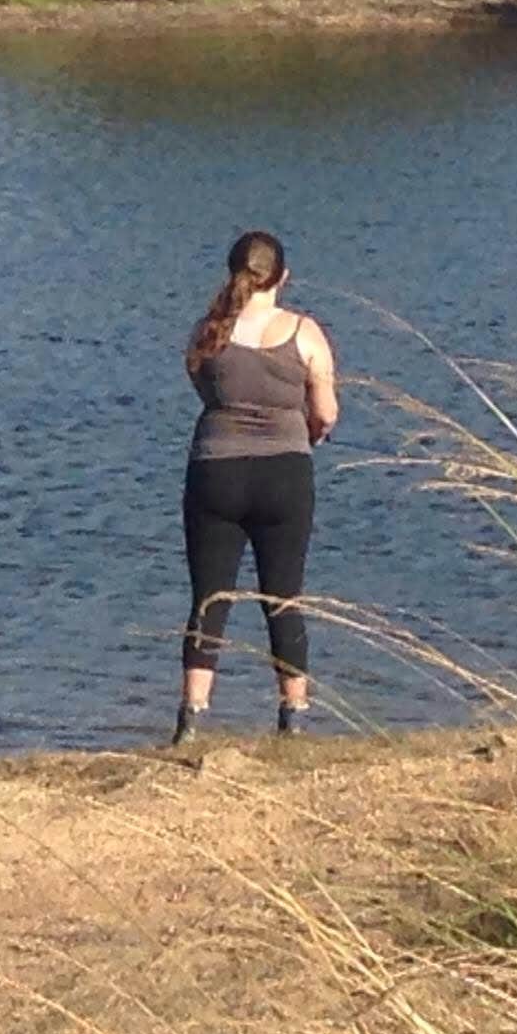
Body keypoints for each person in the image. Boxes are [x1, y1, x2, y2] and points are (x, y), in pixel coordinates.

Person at [174, 229, 339, 744]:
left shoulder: (210, 331)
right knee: (283, 596)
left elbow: (205, 389)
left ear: (232, 274)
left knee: (210, 597)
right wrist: (311, 432)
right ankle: (293, 717)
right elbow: (326, 412)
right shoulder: (305, 333)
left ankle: (192, 718)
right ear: (283, 277)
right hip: (284, 474)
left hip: (215, 471)